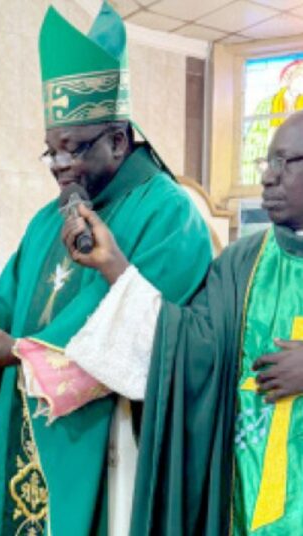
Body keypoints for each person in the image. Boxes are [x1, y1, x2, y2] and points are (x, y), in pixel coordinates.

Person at [0, 3, 212, 535]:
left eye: (73, 149)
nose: (59, 165)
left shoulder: (171, 214)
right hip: (31, 423)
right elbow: (11, 289)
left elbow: (132, 323)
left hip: (111, 435)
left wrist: (15, 349)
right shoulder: (49, 218)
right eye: (50, 151)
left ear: (119, 140)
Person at [62, 109, 303, 535]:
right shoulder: (241, 263)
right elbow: (189, 347)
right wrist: (114, 266)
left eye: (285, 163)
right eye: (268, 162)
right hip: (245, 501)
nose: (268, 177)